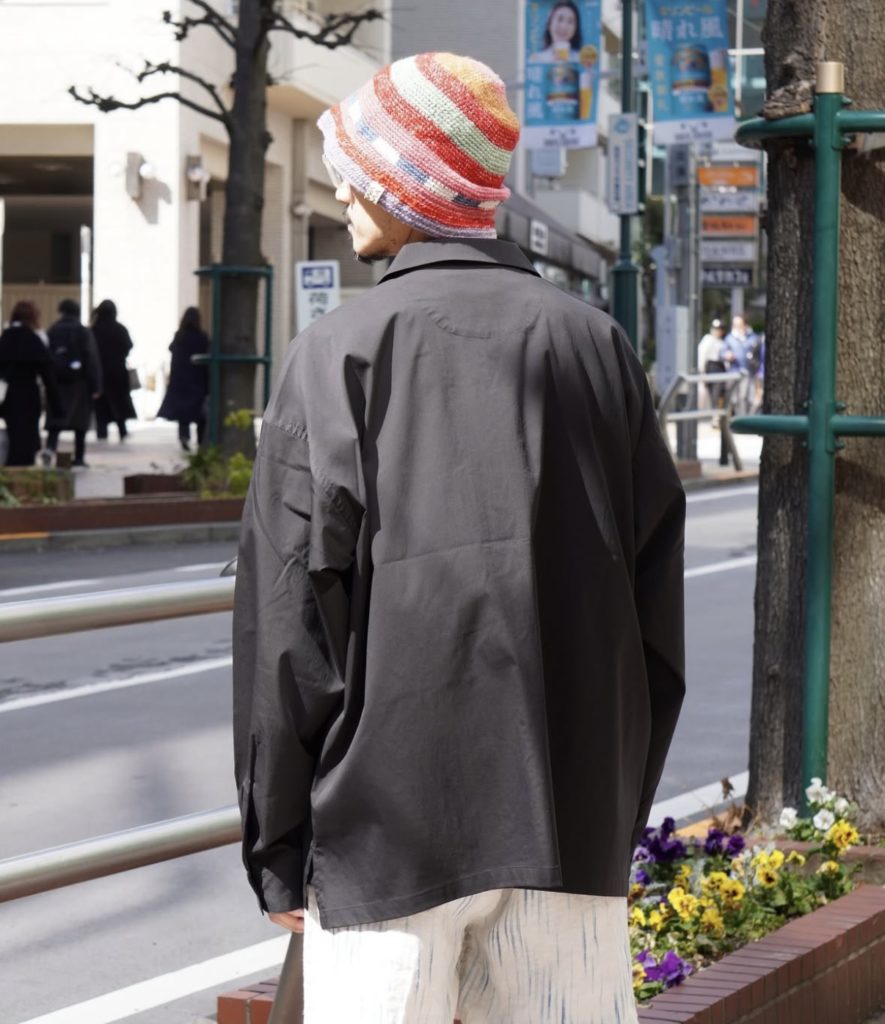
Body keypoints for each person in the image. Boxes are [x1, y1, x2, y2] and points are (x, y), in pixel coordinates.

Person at [233, 52, 685, 1024]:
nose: (343, 190)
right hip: (568, 820)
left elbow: (289, 624)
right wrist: (613, 806)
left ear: (409, 185)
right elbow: (654, 620)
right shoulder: (596, 347)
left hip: (384, 831)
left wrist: (278, 847)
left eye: (357, 170)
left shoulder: (338, 353)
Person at [0, 301, 64, 466]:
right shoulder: (33, 340)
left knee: (14, 437)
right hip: (29, 396)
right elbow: (48, 376)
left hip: (8, 396)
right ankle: (24, 470)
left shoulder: (5, 338)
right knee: (28, 438)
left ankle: (11, 469)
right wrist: (57, 407)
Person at [45, 298, 102, 468]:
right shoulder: (83, 331)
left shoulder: (53, 330)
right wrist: (95, 386)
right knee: (80, 423)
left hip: (57, 383)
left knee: (55, 421)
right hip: (80, 384)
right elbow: (91, 359)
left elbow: (46, 357)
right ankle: (79, 457)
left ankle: (50, 450)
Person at [157, 307, 209, 452]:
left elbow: (174, 358)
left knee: (183, 414)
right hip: (198, 380)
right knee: (200, 413)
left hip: (181, 381)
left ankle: (184, 437)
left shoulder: (179, 337)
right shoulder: (202, 337)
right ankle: (200, 440)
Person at [91, 299, 136, 442]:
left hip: (99, 373)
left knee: (101, 405)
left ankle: (101, 432)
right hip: (117, 372)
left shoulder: (94, 330)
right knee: (119, 402)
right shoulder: (119, 329)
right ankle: (122, 430)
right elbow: (128, 345)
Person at [722, 313, 759, 414]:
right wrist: (726, 355)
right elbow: (722, 352)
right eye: (735, 325)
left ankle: (743, 417)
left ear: (745, 325)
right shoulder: (730, 338)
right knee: (733, 398)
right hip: (733, 371)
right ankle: (734, 417)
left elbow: (756, 353)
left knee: (745, 397)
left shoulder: (753, 337)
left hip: (747, 371)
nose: (737, 327)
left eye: (739, 325)